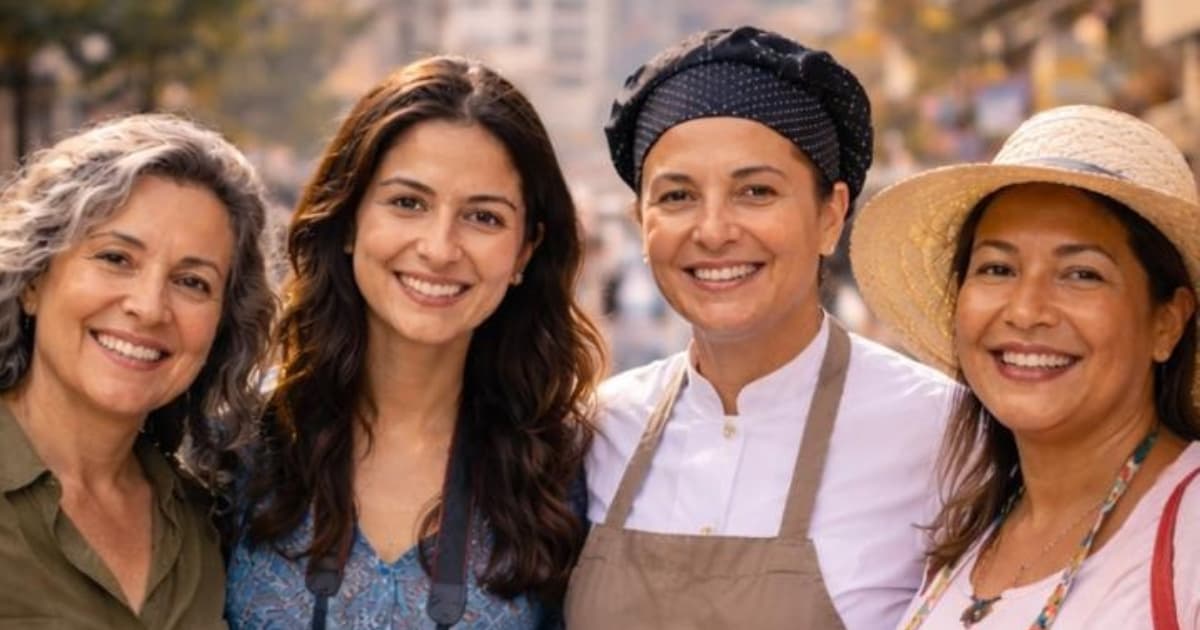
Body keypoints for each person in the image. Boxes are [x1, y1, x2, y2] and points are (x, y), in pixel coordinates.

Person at [566, 26, 955, 629]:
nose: (714, 230)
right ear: (640, 222)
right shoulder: (597, 431)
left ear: (831, 216)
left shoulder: (941, 434)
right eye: (677, 197)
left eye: (755, 191)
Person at [224, 56, 604, 629]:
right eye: (408, 203)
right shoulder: (237, 443)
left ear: (525, 251)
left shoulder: (568, 471)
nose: (439, 248)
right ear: (349, 218)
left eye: (483, 217)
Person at [851, 104, 1200, 628]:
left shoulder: (1189, 534)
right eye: (998, 268)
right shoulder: (969, 535)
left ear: (1167, 323)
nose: (1026, 310)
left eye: (1081, 274)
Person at [0, 114, 275, 628]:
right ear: (34, 278)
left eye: (192, 282)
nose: (149, 308)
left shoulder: (205, 522)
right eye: (116, 258)